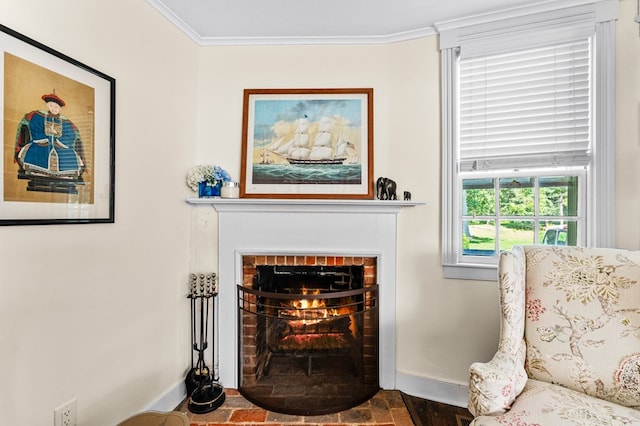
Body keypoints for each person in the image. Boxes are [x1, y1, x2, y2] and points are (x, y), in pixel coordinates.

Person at [14, 92, 85, 181]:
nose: (53, 109)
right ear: (47, 105)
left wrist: (58, 141)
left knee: (69, 155)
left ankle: (65, 174)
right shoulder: (39, 116)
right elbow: (35, 128)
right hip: (42, 143)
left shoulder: (65, 122)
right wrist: (46, 139)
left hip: (60, 145)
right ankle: (36, 171)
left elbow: (70, 135)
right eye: (51, 106)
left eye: (56, 107)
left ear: (59, 108)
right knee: (35, 151)